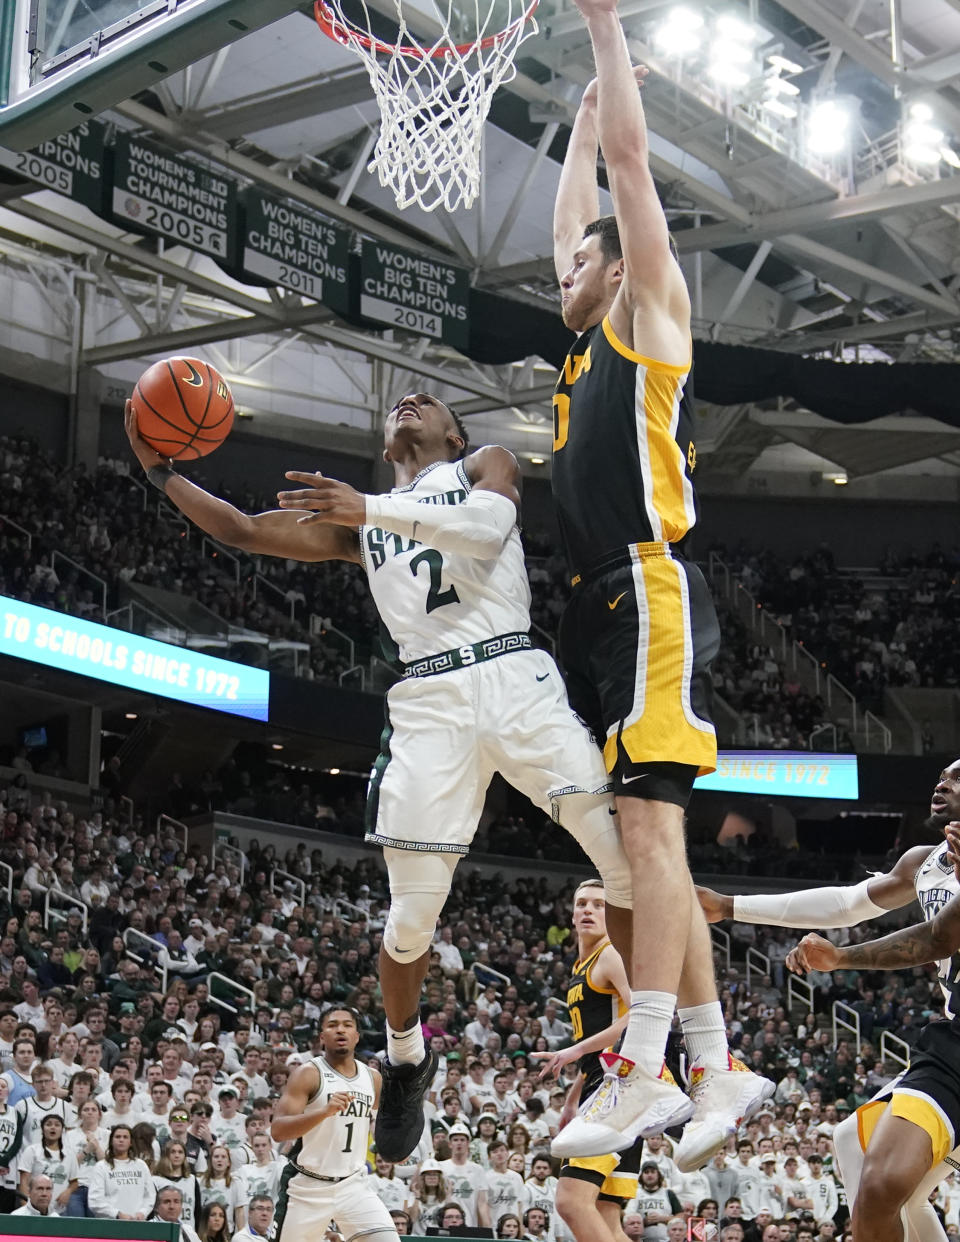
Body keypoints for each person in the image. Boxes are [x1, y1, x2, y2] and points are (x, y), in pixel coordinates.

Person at [126, 391, 631, 1169]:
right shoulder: (362, 522)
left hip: (512, 670)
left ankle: (673, 1045)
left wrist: (368, 508)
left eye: (429, 400)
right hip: (428, 701)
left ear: (453, 432)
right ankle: (402, 1058)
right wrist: (160, 473)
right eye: (400, 401)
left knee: (624, 860)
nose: (412, 401)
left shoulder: (482, 464)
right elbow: (243, 529)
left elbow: (487, 529)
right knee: (408, 922)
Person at [546, 0, 770, 1168]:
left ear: (621, 265)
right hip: (600, 606)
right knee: (647, 850)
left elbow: (630, 173)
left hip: (650, 589)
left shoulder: (649, 317)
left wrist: (602, 32)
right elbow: (578, 205)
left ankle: (648, 1071)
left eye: (587, 253)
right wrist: (573, 134)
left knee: (648, 841)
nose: (566, 265)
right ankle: (717, 1066)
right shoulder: (581, 348)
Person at [697, 762, 960, 1242]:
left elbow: (939, 939)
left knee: (892, 1180)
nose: (942, 784)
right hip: (952, 1045)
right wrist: (729, 905)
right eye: (941, 776)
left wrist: (842, 957)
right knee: (864, 1162)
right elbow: (846, 903)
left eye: (958, 779)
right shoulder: (928, 861)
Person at [532, 879, 638, 1242]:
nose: (588, 910)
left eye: (599, 904)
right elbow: (599, 1042)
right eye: (581, 904)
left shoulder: (612, 954)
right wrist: (574, 1094)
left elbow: (641, 1014)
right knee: (606, 1218)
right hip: (607, 1083)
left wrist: (574, 1051)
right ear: (572, 914)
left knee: (572, 1202)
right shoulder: (583, 963)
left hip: (618, 1087)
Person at [269, 1005, 399, 1242]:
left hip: (353, 1185)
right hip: (308, 1187)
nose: (340, 1030)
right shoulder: (308, 1073)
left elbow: (391, 1123)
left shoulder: (372, 1078)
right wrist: (323, 1112)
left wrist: (397, 1148)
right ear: (322, 1037)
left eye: (347, 1025)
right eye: (332, 1025)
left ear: (357, 1036)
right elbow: (278, 1131)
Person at [88, 1123, 155, 1219]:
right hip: (110, 1223)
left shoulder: (141, 1165)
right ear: (111, 1141)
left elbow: (150, 1195)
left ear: (131, 1142)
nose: (121, 1140)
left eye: (125, 1137)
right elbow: (95, 1200)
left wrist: (143, 1213)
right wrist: (117, 1214)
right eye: (118, 1137)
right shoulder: (101, 1167)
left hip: (137, 1222)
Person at [18, 1112, 77, 1213]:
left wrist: (68, 1191)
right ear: (42, 1129)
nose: (53, 1127)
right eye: (48, 1124)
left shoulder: (70, 1154)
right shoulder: (32, 1150)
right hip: (34, 1210)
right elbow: (24, 1181)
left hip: (60, 1210)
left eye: (57, 1125)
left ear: (62, 1130)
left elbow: (74, 1182)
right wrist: (25, 1207)